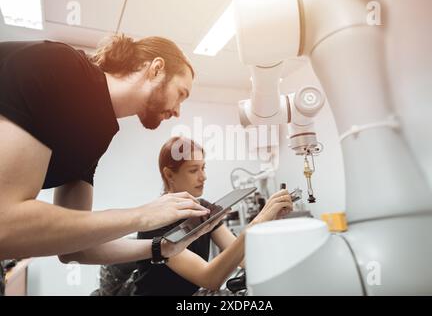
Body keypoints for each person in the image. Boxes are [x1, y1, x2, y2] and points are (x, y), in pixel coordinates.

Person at [0, 35, 220, 295]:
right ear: (156, 69)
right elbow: (5, 224)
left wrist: (158, 247)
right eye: (180, 94)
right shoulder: (60, 67)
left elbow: (74, 250)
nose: (177, 112)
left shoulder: (95, 134)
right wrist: (142, 216)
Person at [134, 137, 293, 295]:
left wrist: (270, 222)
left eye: (203, 167)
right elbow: (210, 278)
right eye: (193, 170)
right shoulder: (153, 222)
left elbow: (245, 259)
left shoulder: (203, 209)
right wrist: (258, 221)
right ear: (169, 175)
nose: (203, 176)